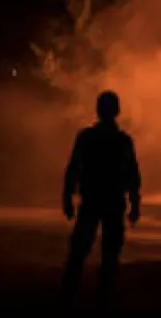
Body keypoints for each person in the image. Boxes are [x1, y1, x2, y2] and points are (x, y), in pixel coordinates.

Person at [60, 90, 142, 302]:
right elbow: (132, 174)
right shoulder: (123, 141)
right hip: (112, 200)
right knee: (110, 251)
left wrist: (67, 197)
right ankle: (103, 294)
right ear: (117, 111)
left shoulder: (87, 138)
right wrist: (134, 204)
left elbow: (73, 169)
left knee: (81, 248)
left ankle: (70, 292)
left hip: (93, 199)